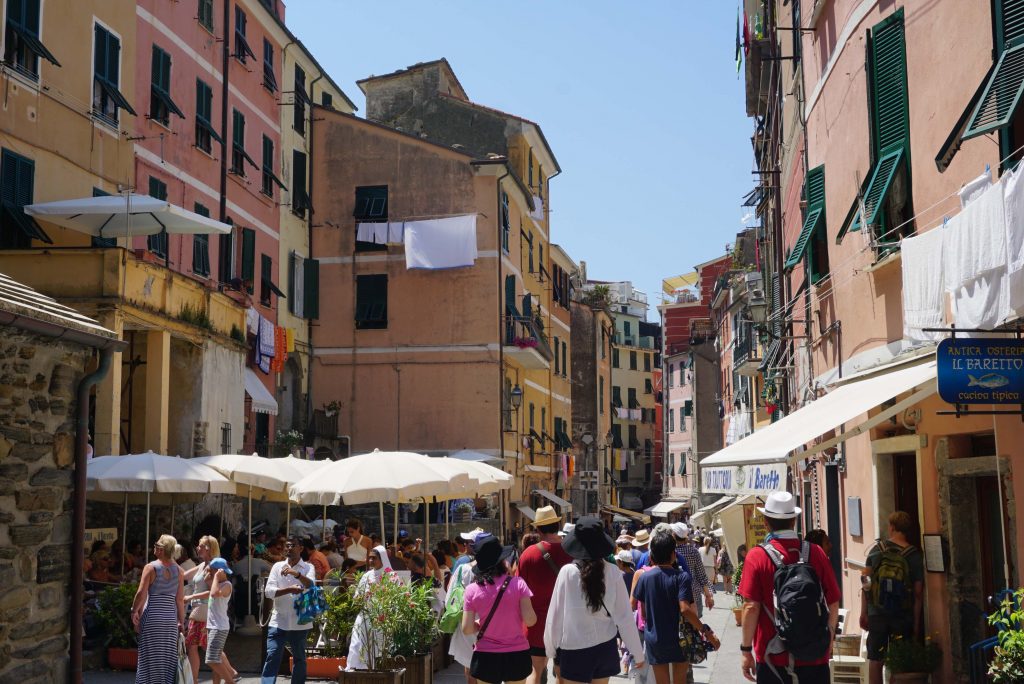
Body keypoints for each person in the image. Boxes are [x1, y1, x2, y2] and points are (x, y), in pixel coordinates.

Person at [739, 492, 840, 684]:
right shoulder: (816, 552)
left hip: (772, 656)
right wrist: (829, 637)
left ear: (766, 522)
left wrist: (746, 651)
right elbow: (833, 602)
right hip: (814, 656)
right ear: (794, 520)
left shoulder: (756, 557)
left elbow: (751, 607)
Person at [544, 517, 645, 684]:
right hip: (604, 648)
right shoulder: (613, 572)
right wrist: (636, 651)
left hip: (574, 649)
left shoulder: (567, 572)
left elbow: (555, 617)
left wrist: (551, 649)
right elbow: (624, 617)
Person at [633, 531, 719, 684]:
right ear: (674, 555)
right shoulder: (682, 577)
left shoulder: (644, 578)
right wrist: (705, 630)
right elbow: (685, 609)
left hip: (655, 639)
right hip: (680, 640)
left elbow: (643, 613)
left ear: (651, 556)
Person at [461, 534, 537, 684]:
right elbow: (530, 620)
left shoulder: (471, 590)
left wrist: (478, 623)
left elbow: (467, 629)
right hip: (516, 653)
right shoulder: (518, 584)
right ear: (502, 561)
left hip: (486, 656)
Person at [860, 511, 924, 684]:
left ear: (892, 527)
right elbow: (918, 593)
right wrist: (916, 624)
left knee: (875, 659)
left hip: (877, 612)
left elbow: (866, 583)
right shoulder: (914, 555)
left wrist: (864, 612)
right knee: (899, 660)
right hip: (902, 614)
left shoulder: (876, 551)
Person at [516, 506, 572, 684]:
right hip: (566, 624)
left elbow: (519, 590)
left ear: (538, 529)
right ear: (558, 524)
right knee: (562, 674)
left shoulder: (528, 555)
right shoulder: (572, 553)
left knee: (535, 671)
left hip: (536, 624)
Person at [260, 536, 316, 684]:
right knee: (272, 655)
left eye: (293, 545)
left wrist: (295, 574)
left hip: (300, 620)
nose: (289, 548)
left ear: (301, 548)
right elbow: (269, 592)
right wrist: (288, 589)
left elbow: (311, 585)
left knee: (299, 658)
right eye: (287, 545)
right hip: (278, 619)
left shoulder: (308, 567)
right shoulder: (277, 567)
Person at [183, 536, 239, 684]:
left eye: (200, 545)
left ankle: (228, 676)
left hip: (205, 612)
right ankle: (229, 673)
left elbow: (213, 592)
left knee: (208, 652)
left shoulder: (215, 569)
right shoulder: (204, 566)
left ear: (208, 548)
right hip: (205, 613)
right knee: (210, 650)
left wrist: (191, 596)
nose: (197, 547)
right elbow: (183, 575)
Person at [130, 534, 185, 684]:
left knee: (148, 659)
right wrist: (182, 621)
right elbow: (179, 599)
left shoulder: (151, 567)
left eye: (156, 545)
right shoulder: (179, 571)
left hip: (152, 617)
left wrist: (134, 611)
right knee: (167, 660)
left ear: (161, 549)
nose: (153, 547)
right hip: (169, 621)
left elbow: (141, 593)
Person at [346, 545, 394, 671]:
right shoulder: (366, 576)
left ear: (382, 559)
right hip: (364, 616)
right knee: (357, 644)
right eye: (370, 558)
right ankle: (356, 670)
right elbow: (358, 595)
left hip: (381, 618)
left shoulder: (390, 576)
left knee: (377, 647)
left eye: (374, 558)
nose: (371, 561)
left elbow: (394, 598)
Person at [668, 523, 715, 618]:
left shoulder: (670, 552)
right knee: (695, 624)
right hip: (694, 593)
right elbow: (701, 575)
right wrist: (708, 596)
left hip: (675, 595)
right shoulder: (693, 551)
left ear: (673, 535)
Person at [204, 558, 235, 684]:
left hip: (219, 627)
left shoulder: (227, 585)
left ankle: (230, 680)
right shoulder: (216, 583)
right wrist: (209, 571)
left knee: (211, 660)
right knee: (216, 660)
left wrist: (216, 577)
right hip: (213, 625)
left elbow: (214, 594)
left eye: (213, 571)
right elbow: (206, 580)